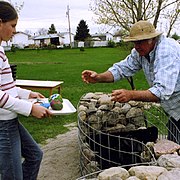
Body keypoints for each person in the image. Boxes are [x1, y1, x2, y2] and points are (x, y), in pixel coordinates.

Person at [82, 20, 180, 144]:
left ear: (152, 39)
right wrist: (98, 77)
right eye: (134, 42)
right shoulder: (141, 51)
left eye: (140, 42)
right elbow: (122, 68)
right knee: (174, 145)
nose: (136, 46)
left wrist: (131, 95)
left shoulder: (166, 52)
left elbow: (162, 91)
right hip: (175, 109)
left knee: (175, 152)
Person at [0, 1, 53, 179]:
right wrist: (30, 109)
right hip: (3, 124)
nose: (14, 31)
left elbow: (6, 85)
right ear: (0, 22)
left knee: (35, 155)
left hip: (10, 119)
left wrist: (27, 94)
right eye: (12, 25)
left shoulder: (1, 49)